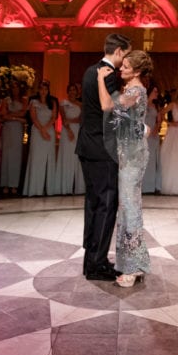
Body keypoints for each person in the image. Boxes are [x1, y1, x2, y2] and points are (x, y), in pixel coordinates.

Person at [76, 32, 131, 282]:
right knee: (107, 205)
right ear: (118, 51)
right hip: (102, 150)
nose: (126, 61)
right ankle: (97, 264)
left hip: (87, 146)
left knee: (94, 204)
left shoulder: (90, 71)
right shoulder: (108, 75)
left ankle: (91, 261)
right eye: (126, 55)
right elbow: (107, 109)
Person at [97, 49, 153, 287]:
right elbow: (128, 121)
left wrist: (100, 78)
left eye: (126, 67)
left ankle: (132, 268)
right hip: (130, 154)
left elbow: (106, 106)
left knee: (129, 208)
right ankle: (135, 263)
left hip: (132, 158)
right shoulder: (135, 90)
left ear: (137, 71)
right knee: (130, 207)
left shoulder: (135, 90)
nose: (121, 69)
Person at [23, 81, 58, 196]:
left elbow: (54, 118)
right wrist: (42, 130)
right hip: (37, 131)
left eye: (45, 89)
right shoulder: (33, 102)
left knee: (49, 159)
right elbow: (33, 118)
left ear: (48, 91)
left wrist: (46, 129)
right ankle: (34, 189)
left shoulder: (52, 102)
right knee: (36, 159)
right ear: (38, 90)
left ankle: (48, 189)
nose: (43, 91)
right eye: (41, 89)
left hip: (49, 132)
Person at [0, 80, 27, 195]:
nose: (14, 89)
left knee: (16, 155)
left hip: (18, 129)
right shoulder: (6, 100)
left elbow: (24, 114)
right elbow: (4, 115)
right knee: (6, 155)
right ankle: (5, 183)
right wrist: (17, 116)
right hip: (7, 128)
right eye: (12, 87)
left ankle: (14, 184)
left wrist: (12, 116)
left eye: (16, 87)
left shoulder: (24, 99)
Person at [57, 83, 84, 195]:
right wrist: (68, 130)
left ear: (77, 92)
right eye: (70, 90)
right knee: (67, 157)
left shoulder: (81, 105)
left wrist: (71, 121)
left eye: (74, 90)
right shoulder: (63, 103)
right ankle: (65, 188)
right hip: (66, 132)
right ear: (68, 92)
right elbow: (63, 118)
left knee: (77, 159)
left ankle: (78, 188)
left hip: (78, 131)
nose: (72, 92)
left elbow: (81, 119)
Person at [141, 86, 162, 193]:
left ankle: (152, 186)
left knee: (153, 160)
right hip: (143, 135)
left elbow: (159, 120)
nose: (157, 93)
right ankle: (143, 186)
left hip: (153, 135)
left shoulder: (156, 105)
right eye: (155, 91)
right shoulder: (141, 104)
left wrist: (155, 130)